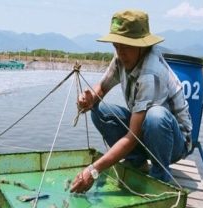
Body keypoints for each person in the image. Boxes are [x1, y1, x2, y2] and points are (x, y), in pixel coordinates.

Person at [70, 9, 192, 194]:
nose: (120, 53)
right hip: (145, 130)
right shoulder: (121, 57)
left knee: (156, 116)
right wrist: (88, 99)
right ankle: (138, 162)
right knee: (99, 109)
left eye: (126, 47)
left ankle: (160, 178)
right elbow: (102, 87)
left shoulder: (151, 73)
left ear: (141, 46)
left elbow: (133, 135)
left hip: (173, 142)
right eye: (116, 46)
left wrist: (93, 170)